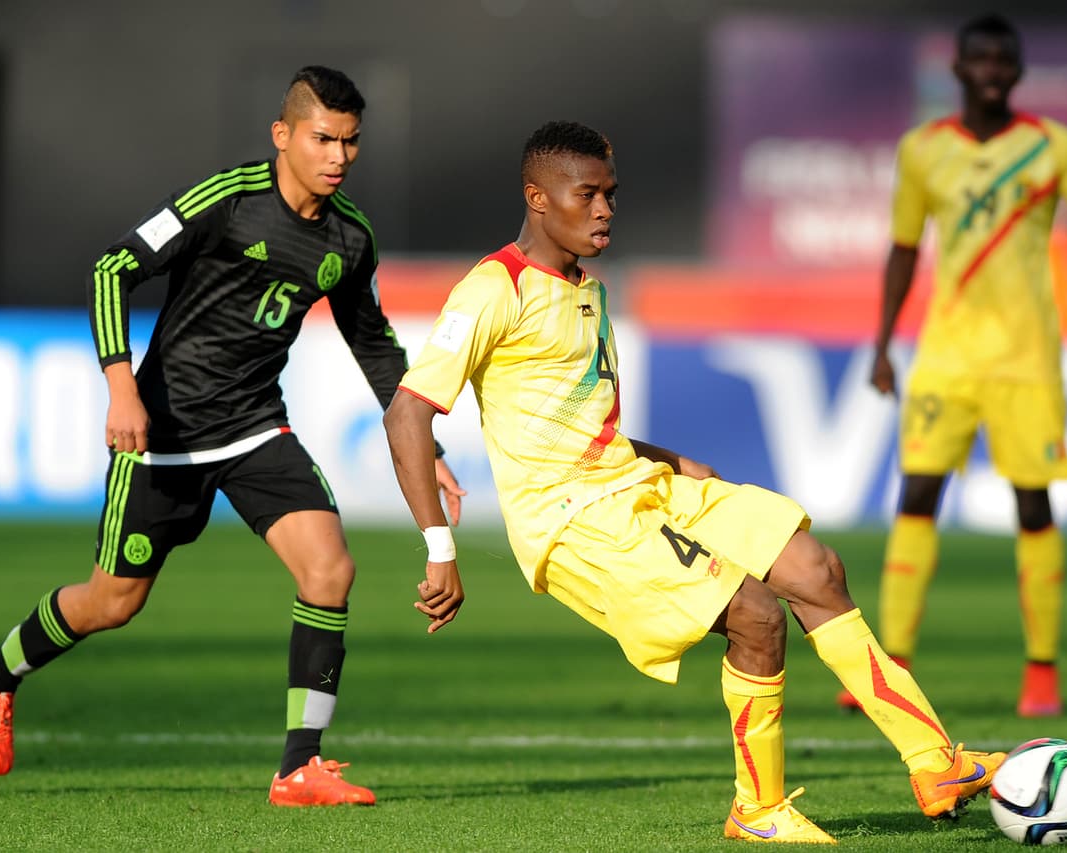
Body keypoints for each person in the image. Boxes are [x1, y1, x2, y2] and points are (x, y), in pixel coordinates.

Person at [381, 120, 1005, 845]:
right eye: (588, 194)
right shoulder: (494, 288)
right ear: (538, 198)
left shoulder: (587, 290)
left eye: (612, 193)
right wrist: (440, 550)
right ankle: (759, 808)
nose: (606, 209)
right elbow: (407, 414)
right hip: (575, 521)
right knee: (756, 614)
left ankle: (936, 761)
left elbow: (585, 427)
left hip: (638, 483)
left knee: (815, 566)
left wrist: (673, 460)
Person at [0, 65, 464, 806]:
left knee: (329, 568)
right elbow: (112, 268)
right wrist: (122, 386)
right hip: (162, 435)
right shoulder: (225, 201)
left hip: (256, 427)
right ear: (282, 135)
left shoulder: (350, 239)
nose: (338, 156)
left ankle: (300, 765)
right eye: (323, 138)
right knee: (112, 602)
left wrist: (430, 446)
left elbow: (375, 346)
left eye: (351, 142)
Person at [837, 14, 1067, 719]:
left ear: (1018, 71)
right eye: (981, 59)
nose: (994, 69)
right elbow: (903, 249)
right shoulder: (923, 151)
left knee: (1033, 504)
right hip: (945, 355)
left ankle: (1041, 675)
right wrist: (881, 343)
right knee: (917, 495)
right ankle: (893, 664)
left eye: (1005, 59)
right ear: (959, 71)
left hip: (1028, 358)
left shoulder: (1050, 145)